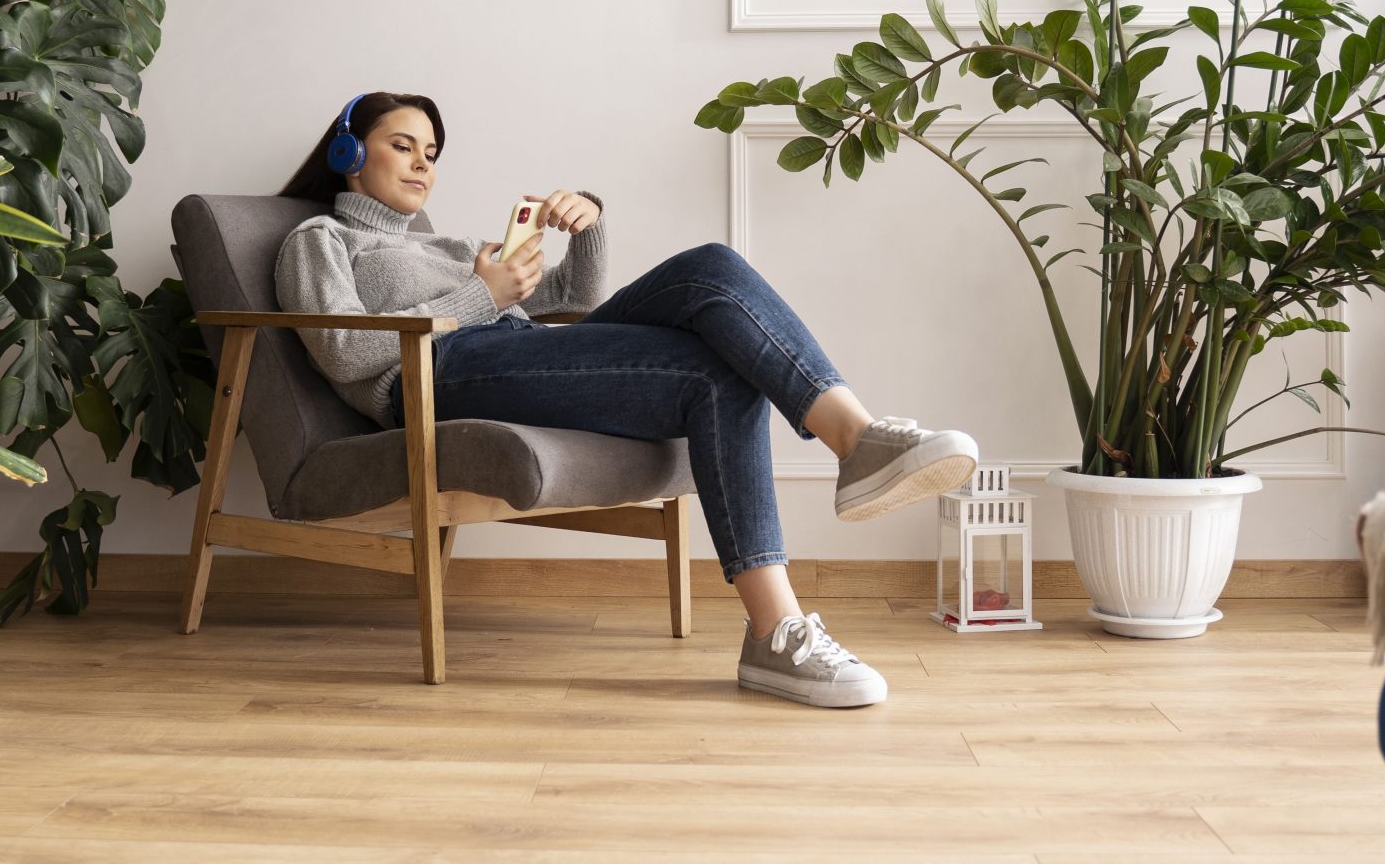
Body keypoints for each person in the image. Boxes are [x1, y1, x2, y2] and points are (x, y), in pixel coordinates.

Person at [273, 91, 980, 709]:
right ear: (347, 152)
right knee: (715, 362)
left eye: (431, 153)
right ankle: (788, 603)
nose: (423, 164)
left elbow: (576, 299)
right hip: (435, 379)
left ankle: (842, 470)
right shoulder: (320, 239)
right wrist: (481, 296)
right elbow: (344, 350)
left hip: (511, 354)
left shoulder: (455, 245)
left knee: (711, 271)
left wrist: (587, 225)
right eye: (403, 146)